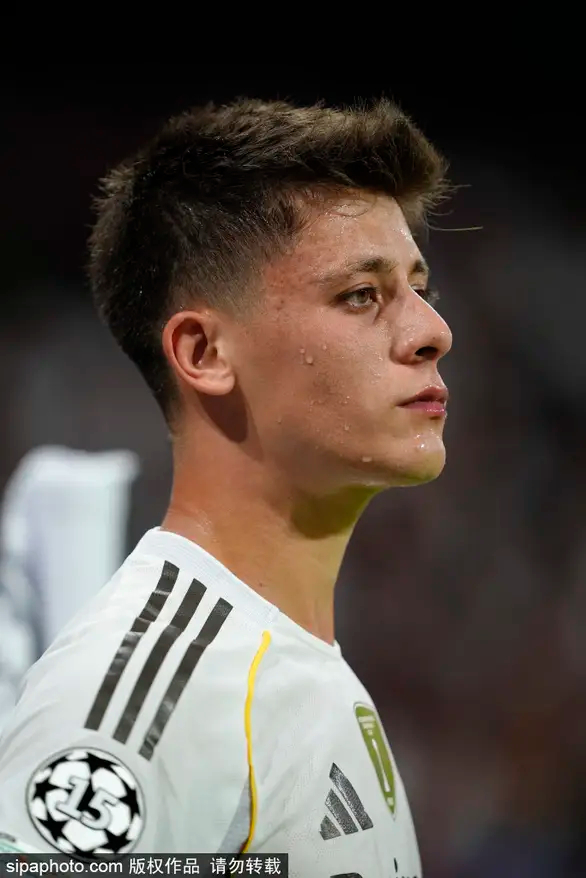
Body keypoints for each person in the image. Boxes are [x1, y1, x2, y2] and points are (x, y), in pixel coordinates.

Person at [0, 98, 452, 876]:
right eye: (360, 295)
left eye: (420, 289)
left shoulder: (281, 664)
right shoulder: (153, 698)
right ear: (205, 352)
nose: (432, 332)